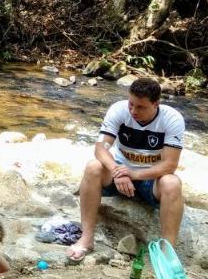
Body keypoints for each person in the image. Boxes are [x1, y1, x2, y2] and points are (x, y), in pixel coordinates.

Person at [66, 76, 186, 263]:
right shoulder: (119, 109)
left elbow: (170, 165)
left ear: (156, 104)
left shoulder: (172, 119)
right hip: (119, 173)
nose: (133, 111)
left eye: (140, 107)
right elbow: (101, 148)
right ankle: (87, 239)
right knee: (93, 167)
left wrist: (134, 174)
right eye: (131, 104)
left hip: (150, 180)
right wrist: (117, 171)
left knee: (172, 182)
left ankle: (166, 254)